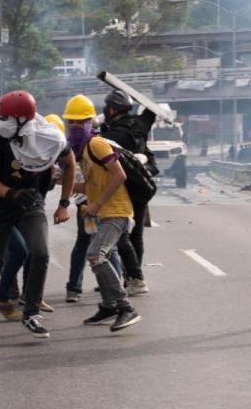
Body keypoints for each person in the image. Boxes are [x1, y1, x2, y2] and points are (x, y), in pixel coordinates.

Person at [0, 90, 75, 339]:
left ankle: (31, 312)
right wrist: (9, 193)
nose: (2, 122)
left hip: (32, 203)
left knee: (40, 254)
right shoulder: (0, 139)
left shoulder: (49, 136)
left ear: (24, 119)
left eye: (8, 117)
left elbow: (70, 164)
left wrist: (64, 203)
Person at [65, 95, 142, 332]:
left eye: (81, 122)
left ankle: (125, 306)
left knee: (95, 254)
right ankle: (109, 306)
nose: (76, 127)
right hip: (104, 213)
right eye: (72, 122)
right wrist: (63, 184)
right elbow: (90, 185)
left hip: (117, 211)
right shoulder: (83, 151)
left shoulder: (97, 144)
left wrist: (96, 204)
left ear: (91, 123)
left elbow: (120, 175)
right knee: (99, 257)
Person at [100, 89, 155, 296]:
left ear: (113, 109)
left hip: (126, 189)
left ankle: (131, 277)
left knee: (122, 234)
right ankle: (134, 276)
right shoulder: (140, 124)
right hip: (144, 185)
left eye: (107, 106)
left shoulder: (113, 135)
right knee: (136, 234)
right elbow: (151, 111)